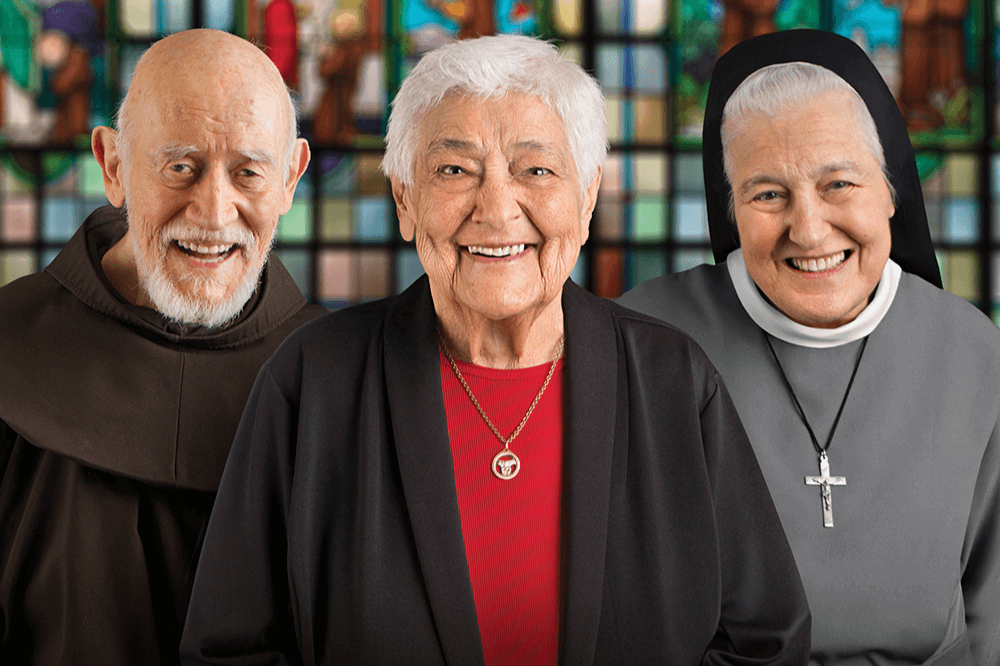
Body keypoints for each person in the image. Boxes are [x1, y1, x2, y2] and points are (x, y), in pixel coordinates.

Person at [179, 34, 810, 665]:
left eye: (536, 170)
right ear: (405, 199)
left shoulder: (673, 378)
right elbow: (229, 648)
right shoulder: (312, 380)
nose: (498, 209)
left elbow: (767, 639)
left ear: (586, 199)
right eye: (455, 170)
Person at [620, 29, 1000, 665]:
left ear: (891, 190)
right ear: (730, 208)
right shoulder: (645, 338)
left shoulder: (969, 348)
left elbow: (994, 605)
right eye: (768, 193)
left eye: (839, 184)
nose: (809, 228)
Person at [0, 29, 323, 665]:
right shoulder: (8, 350)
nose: (213, 211)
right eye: (181, 167)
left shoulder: (333, 381)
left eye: (249, 172)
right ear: (113, 165)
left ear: (291, 178)